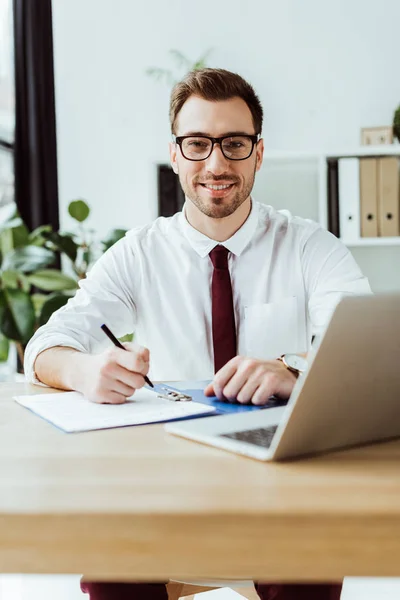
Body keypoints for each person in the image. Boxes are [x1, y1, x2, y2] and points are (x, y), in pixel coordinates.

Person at [25, 68, 371, 600]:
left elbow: (364, 355)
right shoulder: (139, 252)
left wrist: (293, 369)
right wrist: (85, 370)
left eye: (234, 144)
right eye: (197, 144)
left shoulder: (311, 248)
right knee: (108, 563)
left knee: (312, 559)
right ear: (175, 154)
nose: (216, 163)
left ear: (258, 153)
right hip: (166, 485)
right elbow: (45, 347)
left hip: (278, 487)